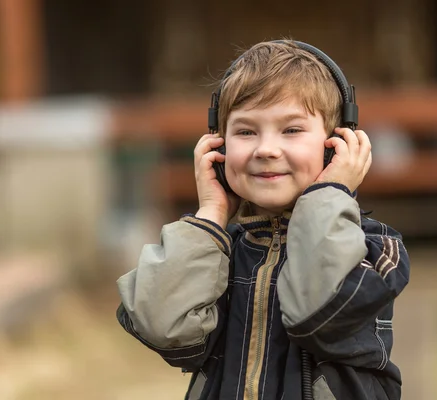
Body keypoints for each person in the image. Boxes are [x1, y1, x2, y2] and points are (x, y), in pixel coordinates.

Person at [115, 39, 410, 400]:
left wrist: (330, 193)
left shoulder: (375, 249)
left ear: (336, 144)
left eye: (291, 130)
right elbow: (166, 330)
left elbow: (318, 315)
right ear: (219, 146)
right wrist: (211, 214)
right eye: (245, 131)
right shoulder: (217, 253)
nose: (266, 149)